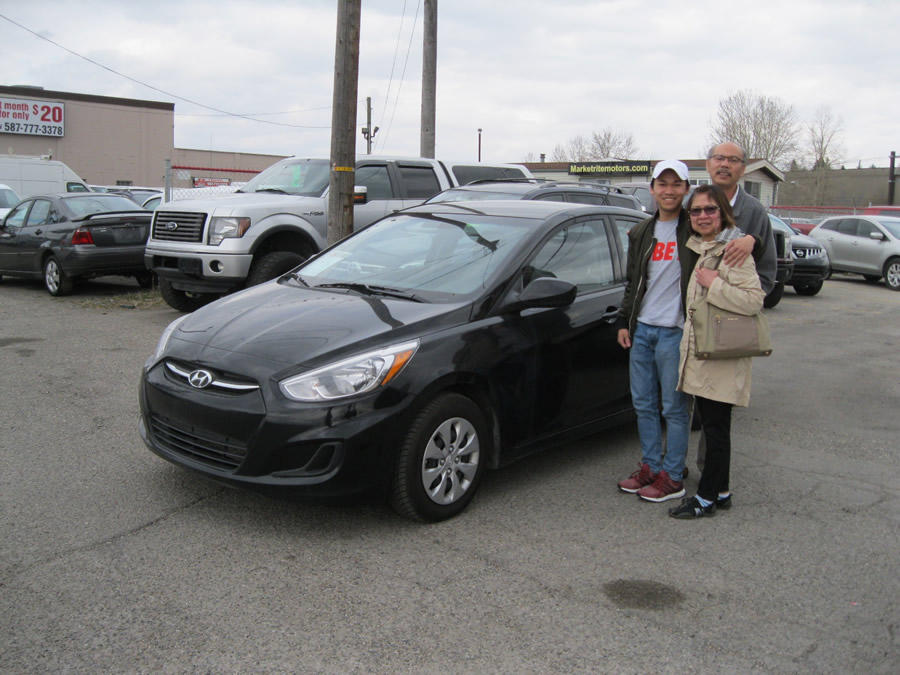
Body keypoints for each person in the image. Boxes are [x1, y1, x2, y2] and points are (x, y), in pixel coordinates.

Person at [668, 184, 765, 518]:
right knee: (713, 424)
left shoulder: (733, 251)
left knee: (715, 428)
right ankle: (721, 491)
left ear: (723, 212)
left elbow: (754, 301)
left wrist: (715, 283)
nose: (703, 216)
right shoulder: (703, 247)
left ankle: (706, 498)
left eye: (710, 209)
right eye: (696, 211)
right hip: (705, 353)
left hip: (721, 355)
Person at [615, 160, 694, 503]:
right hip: (643, 330)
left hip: (675, 332)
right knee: (643, 404)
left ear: (686, 189)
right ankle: (650, 466)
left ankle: (673, 476)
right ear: (652, 188)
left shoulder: (695, 229)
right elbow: (633, 282)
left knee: (674, 409)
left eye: (677, 184)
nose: (669, 190)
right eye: (663, 183)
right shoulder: (642, 232)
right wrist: (623, 321)